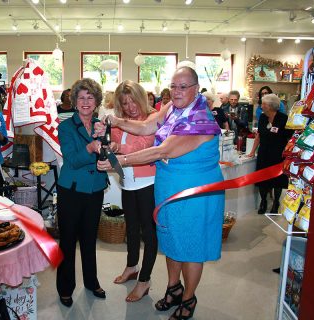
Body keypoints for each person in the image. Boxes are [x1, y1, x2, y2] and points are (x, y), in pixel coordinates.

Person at [97, 67, 224, 320]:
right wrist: (117, 120)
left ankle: (188, 299)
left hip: (193, 192)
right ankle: (173, 288)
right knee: (170, 240)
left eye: (183, 87)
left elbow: (160, 152)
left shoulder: (200, 121)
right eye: (173, 86)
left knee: (190, 247)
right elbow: (146, 127)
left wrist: (120, 160)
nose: (177, 91)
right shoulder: (172, 108)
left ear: (196, 89)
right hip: (168, 187)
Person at [56, 78, 108, 308]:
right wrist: (90, 147)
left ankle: (91, 281)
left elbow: (107, 154)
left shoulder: (101, 125)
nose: (86, 102)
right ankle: (65, 288)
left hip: (95, 189)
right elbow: (72, 160)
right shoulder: (65, 126)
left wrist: (106, 139)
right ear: (74, 102)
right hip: (72, 190)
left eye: (90, 97)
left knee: (89, 238)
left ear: (96, 102)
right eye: (81, 98)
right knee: (67, 241)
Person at [110, 80, 158, 303]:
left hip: (148, 182)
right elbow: (115, 141)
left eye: (132, 101)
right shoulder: (120, 122)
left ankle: (144, 280)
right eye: (124, 103)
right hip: (128, 182)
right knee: (131, 228)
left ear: (141, 98)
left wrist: (119, 149)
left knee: (149, 233)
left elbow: (144, 146)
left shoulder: (153, 118)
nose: (130, 107)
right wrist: (113, 145)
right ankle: (132, 266)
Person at [247, 93, 293, 214]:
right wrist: (252, 151)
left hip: (278, 153)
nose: (261, 106)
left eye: (263, 104)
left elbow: (290, 139)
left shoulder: (284, 118)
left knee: (277, 179)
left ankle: (276, 202)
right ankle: (263, 201)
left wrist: (288, 153)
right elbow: (259, 136)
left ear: (270, 106)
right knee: (262, 178)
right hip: (264, 152)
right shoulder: (262, 118)